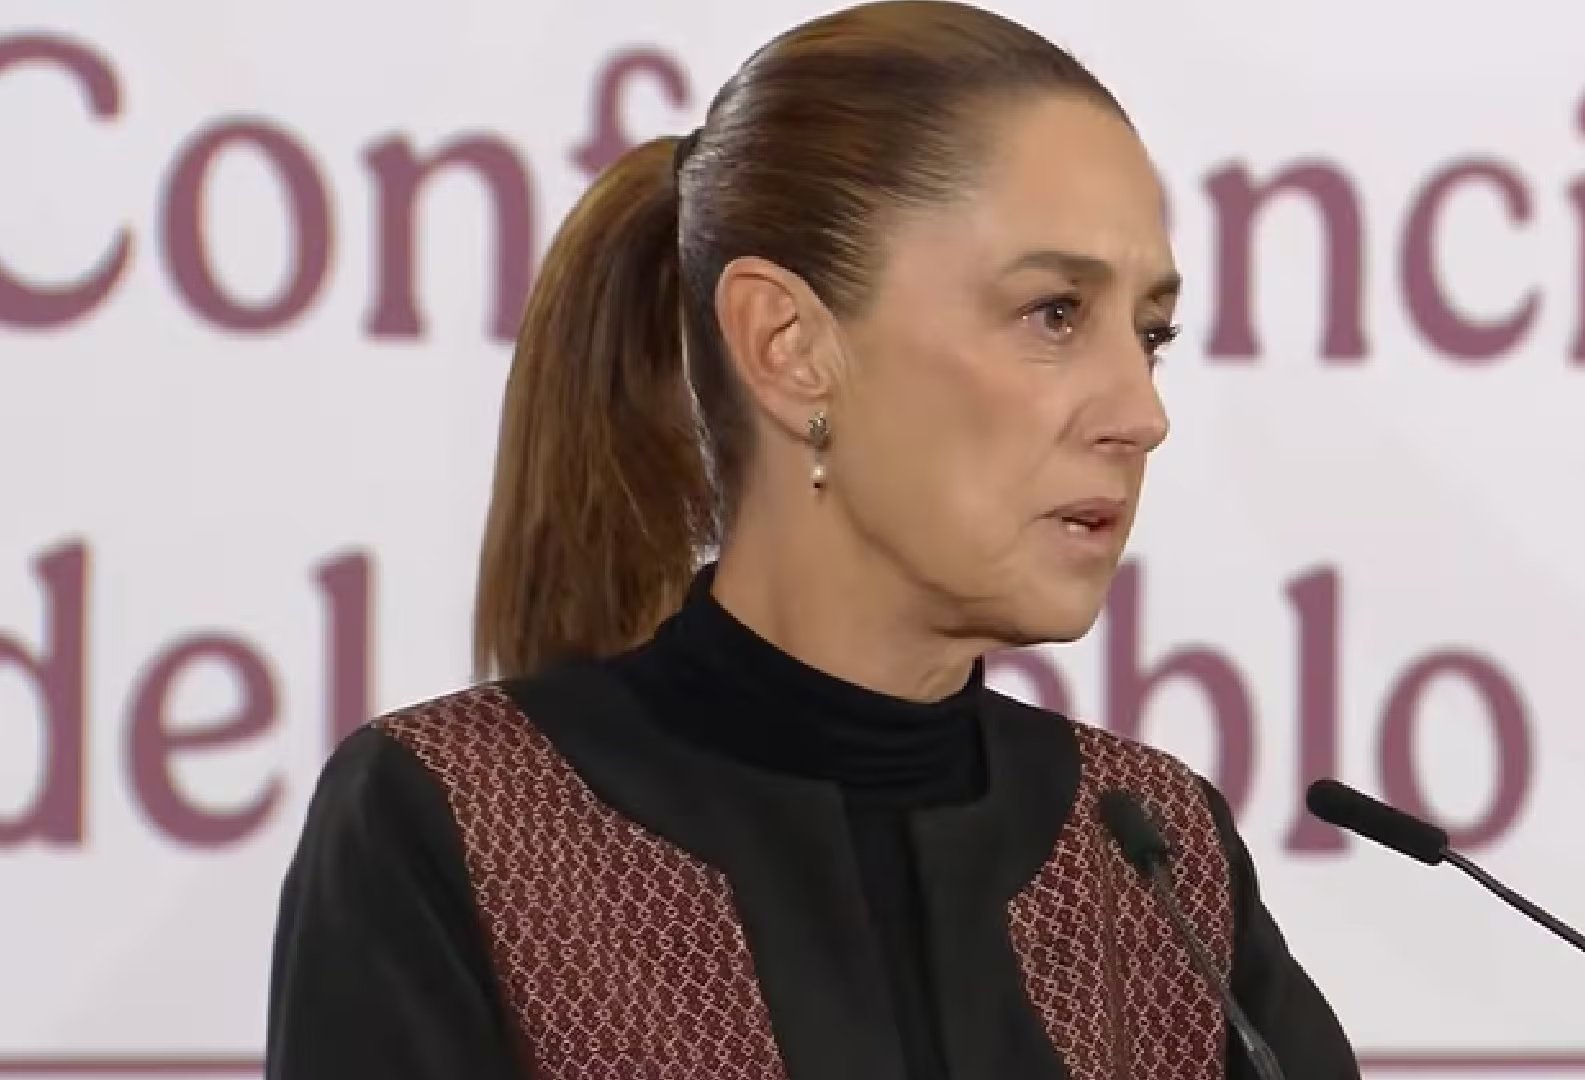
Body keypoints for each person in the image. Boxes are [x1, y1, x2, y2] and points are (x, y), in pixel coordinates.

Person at [264, 2, 1363, 1078]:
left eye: (1151, 333)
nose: (1141, 413)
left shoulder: (1154, 853)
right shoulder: (459, 822)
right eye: (1055, 314)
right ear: (788, 347)